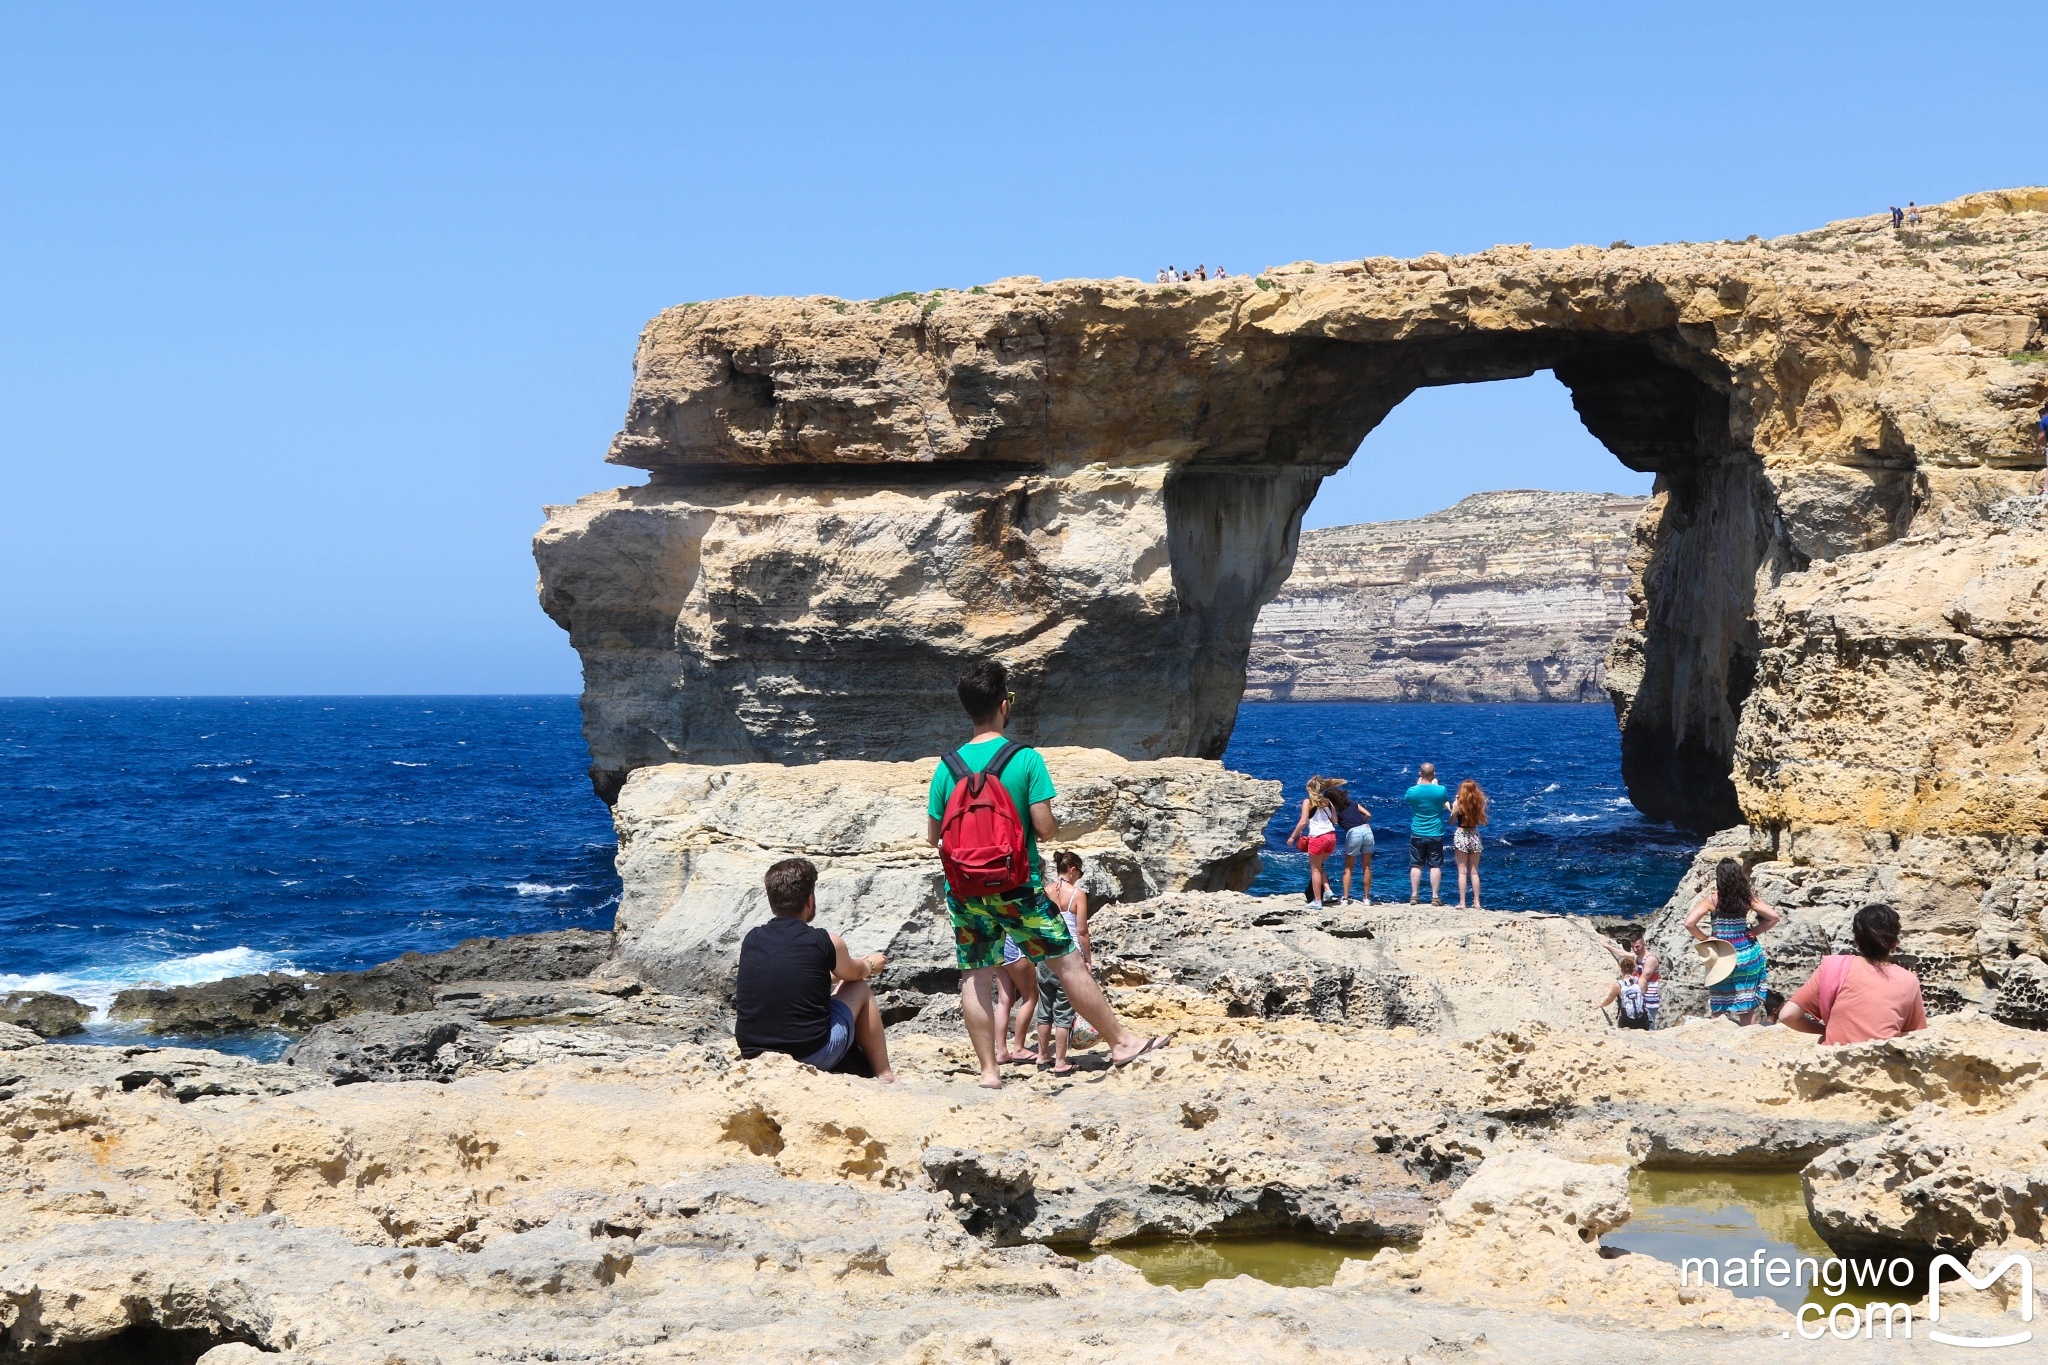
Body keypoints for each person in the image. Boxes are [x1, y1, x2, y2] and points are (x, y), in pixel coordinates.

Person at [927, 660, 1171, 1088]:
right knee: (1067, 964)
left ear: (969, 709)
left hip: (965, 891)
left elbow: (935, 837)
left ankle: (989, 1072)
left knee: (976, 975)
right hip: (1017, 886)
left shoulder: (947, 767)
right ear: (1005, 705)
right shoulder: (1024, 759)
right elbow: (1044, 827)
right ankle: (1120, 1043)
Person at [733, 857, 897, 1083]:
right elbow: (853, 974)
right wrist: (871, 964)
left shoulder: (752, 939)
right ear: (809, 900)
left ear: (772, 903)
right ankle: (885, 1074)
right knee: (858, 988)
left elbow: (799, 975)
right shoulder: (825, 941)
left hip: (754, 1054)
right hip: (810, 1054)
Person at [1778, 904, 1928, 1044]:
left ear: (1856, 940)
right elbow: (1914, 1032)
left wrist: (1826, 1030)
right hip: (1883, 1065)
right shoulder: (1909, 980)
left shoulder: (1832, 967)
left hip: (1836, 1062)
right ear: (1894, 944)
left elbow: (1787, 1016)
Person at [1683, 858, 1783, 1025]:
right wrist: (1755, 931)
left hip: (1722, 956)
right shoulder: (1747, 898)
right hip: (1746, 955)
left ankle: (1719, 1042)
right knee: (1747, 1006)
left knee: (1719, 1005)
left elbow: (1689, 923)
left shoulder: (1713, 900)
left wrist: (1705, 939)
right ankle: (1745, 1042)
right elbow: (1774, 917)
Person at [1032, 850, 1093, 1073]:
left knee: (1044, 1007)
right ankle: (1060, 1061)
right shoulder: (1077, 894)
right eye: (1081, 872)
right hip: (1069, 957)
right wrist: (1087, 960)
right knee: (1063, 1011)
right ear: (1073, 870)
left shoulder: (1044, 891)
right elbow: (1082, 931)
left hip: (1045, 955)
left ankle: (1041, 1056)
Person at [1285, 775, 1340, 905]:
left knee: (1315, 870)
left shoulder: (1308, 802)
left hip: (1317, 838)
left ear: (1310, 789)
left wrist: (1292, 837)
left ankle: (1317, 901)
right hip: (1331, 838)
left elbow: (1303, 821)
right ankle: (1327, 891)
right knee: (1319, 866)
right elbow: (1335, 820)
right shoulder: (1327, 801)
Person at [1403, 763, 1450, 905]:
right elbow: (1444, 801)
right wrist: (1435, 785)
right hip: (1435, 831)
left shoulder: (1412, 791)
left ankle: (1414, 896)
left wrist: (1418, 784)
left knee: (1416, 865)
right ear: (1434, 774)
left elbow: (1409, 799)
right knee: (1435, 866)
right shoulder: (1441, 790)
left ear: (1420, 773)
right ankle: (1435, 897)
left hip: (1417, 831)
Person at [1600, 932, 1662, 1027]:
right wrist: (1607, 946)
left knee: (1649, 1027)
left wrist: (1619, 986)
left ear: (1644, 944)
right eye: (1633, 947)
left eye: (1637, 946)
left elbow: (1642, 980)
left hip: (1649, 1000)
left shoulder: (1650, 960)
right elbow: (1622, 953)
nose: (1635, 949)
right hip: (1638, 998)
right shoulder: (1637, 956)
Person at [1449, 779, 1487, 909]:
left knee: (1462, 872)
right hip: (1474, 835)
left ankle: (1462, 902)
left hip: (1461, 835)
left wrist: (1454, 804)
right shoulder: (1478, 803)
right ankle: (1477, 902)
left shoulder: (1459, 805)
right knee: (1474, 872)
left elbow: (1451, 821)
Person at [1333, 784, 1373, 905]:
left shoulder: (1335, 808)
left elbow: (1333, 821)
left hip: (1353, 832)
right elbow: (1368, 814)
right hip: (1366, 830)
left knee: (1348, 867)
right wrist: (1362, 823)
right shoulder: (1354, 803)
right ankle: (1366, 899)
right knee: (1366, 866)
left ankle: (1345, 898)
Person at [1597, 953, 1653, 1029]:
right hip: (1642, 1019)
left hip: (1626, 1021)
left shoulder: (1618, 985)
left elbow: (1609, 1000)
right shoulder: (1641, 981)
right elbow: (1644, 991)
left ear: (1621, 970)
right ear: (1634, 969)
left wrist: (1601, 1005)